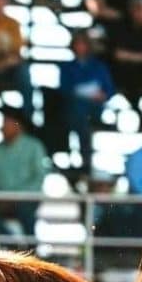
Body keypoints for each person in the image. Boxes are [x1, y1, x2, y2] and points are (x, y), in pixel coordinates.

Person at [0, 108, 50, 236]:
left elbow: (39, 178)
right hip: (0, 200)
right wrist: (1, 197)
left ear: (18, 125)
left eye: (7, 123)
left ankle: (31, 251)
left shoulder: (34, 147)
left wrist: (16, 197)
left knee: (27, 216)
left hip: (26, 199)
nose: (2, 127)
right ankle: (12, 248)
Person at [58, 30, 116, 176]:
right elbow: (65, 90)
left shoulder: (98, 66)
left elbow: (109, 89)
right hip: (75, 108)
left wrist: (102, 95)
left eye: (82, 43)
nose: (80, 47)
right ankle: (84, 160)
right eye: (77, 44)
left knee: (80, 118)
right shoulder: (67, 68)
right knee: (78, 115)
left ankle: (85, 161)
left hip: (94, 108)